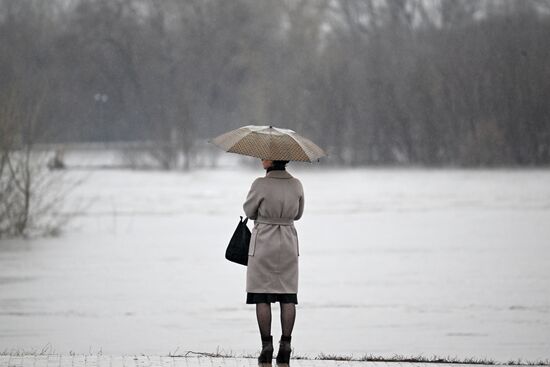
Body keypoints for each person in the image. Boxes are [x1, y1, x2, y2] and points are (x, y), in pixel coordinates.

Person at [243, 159, 304, 367]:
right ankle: (285, 347)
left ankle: (266, 346)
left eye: (264, 157)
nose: (261, 160)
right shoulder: (296, 184)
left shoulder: (260, 184)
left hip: (263, 244)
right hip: (287, 241)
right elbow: (298, 214)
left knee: (262, 294)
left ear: (271, 161)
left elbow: (249, 211)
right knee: (288, 296)